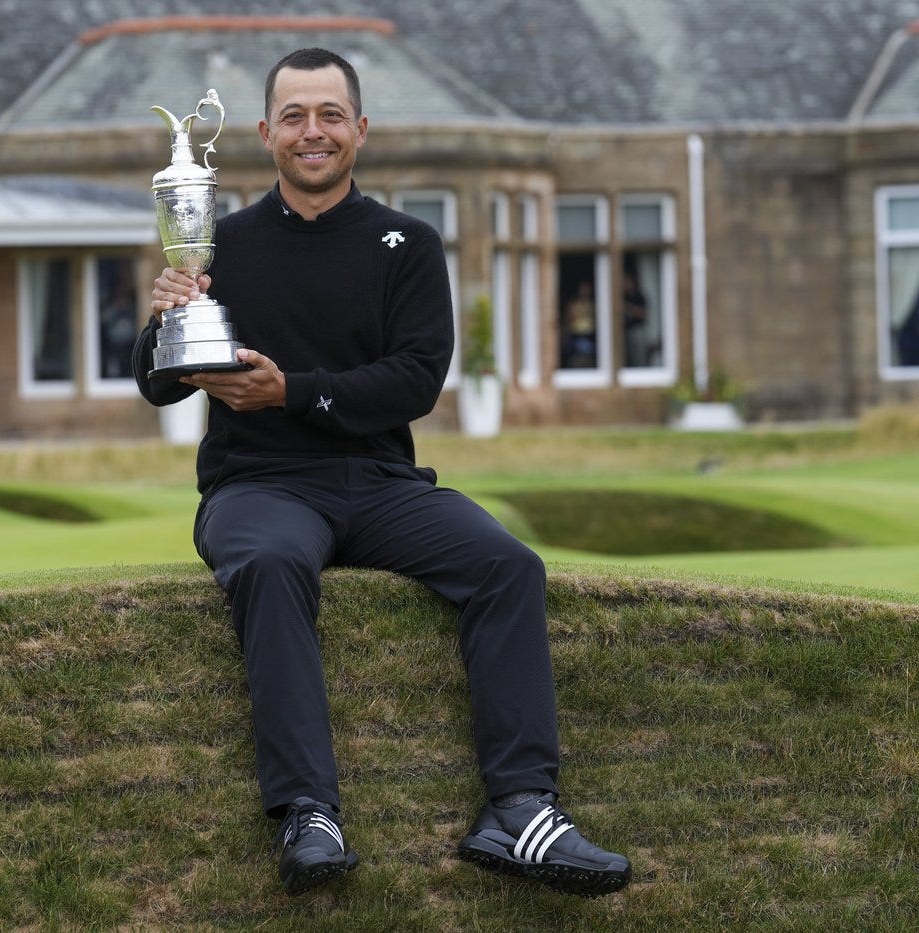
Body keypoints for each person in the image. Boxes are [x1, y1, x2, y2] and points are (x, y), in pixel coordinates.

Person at [132, 47, 631, 899]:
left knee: (508, 565)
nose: (313, 131)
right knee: (271, 562)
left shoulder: (407, 242)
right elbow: (154, 382)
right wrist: (165, 316)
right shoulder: (226, 240)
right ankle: (307, 813)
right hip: (259, 483)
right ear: (265, 134)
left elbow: (415, 379)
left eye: (330, 114)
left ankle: (520, 810)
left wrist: (292, 389)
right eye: (294, 116)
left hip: (381, 482)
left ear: (360, 129)